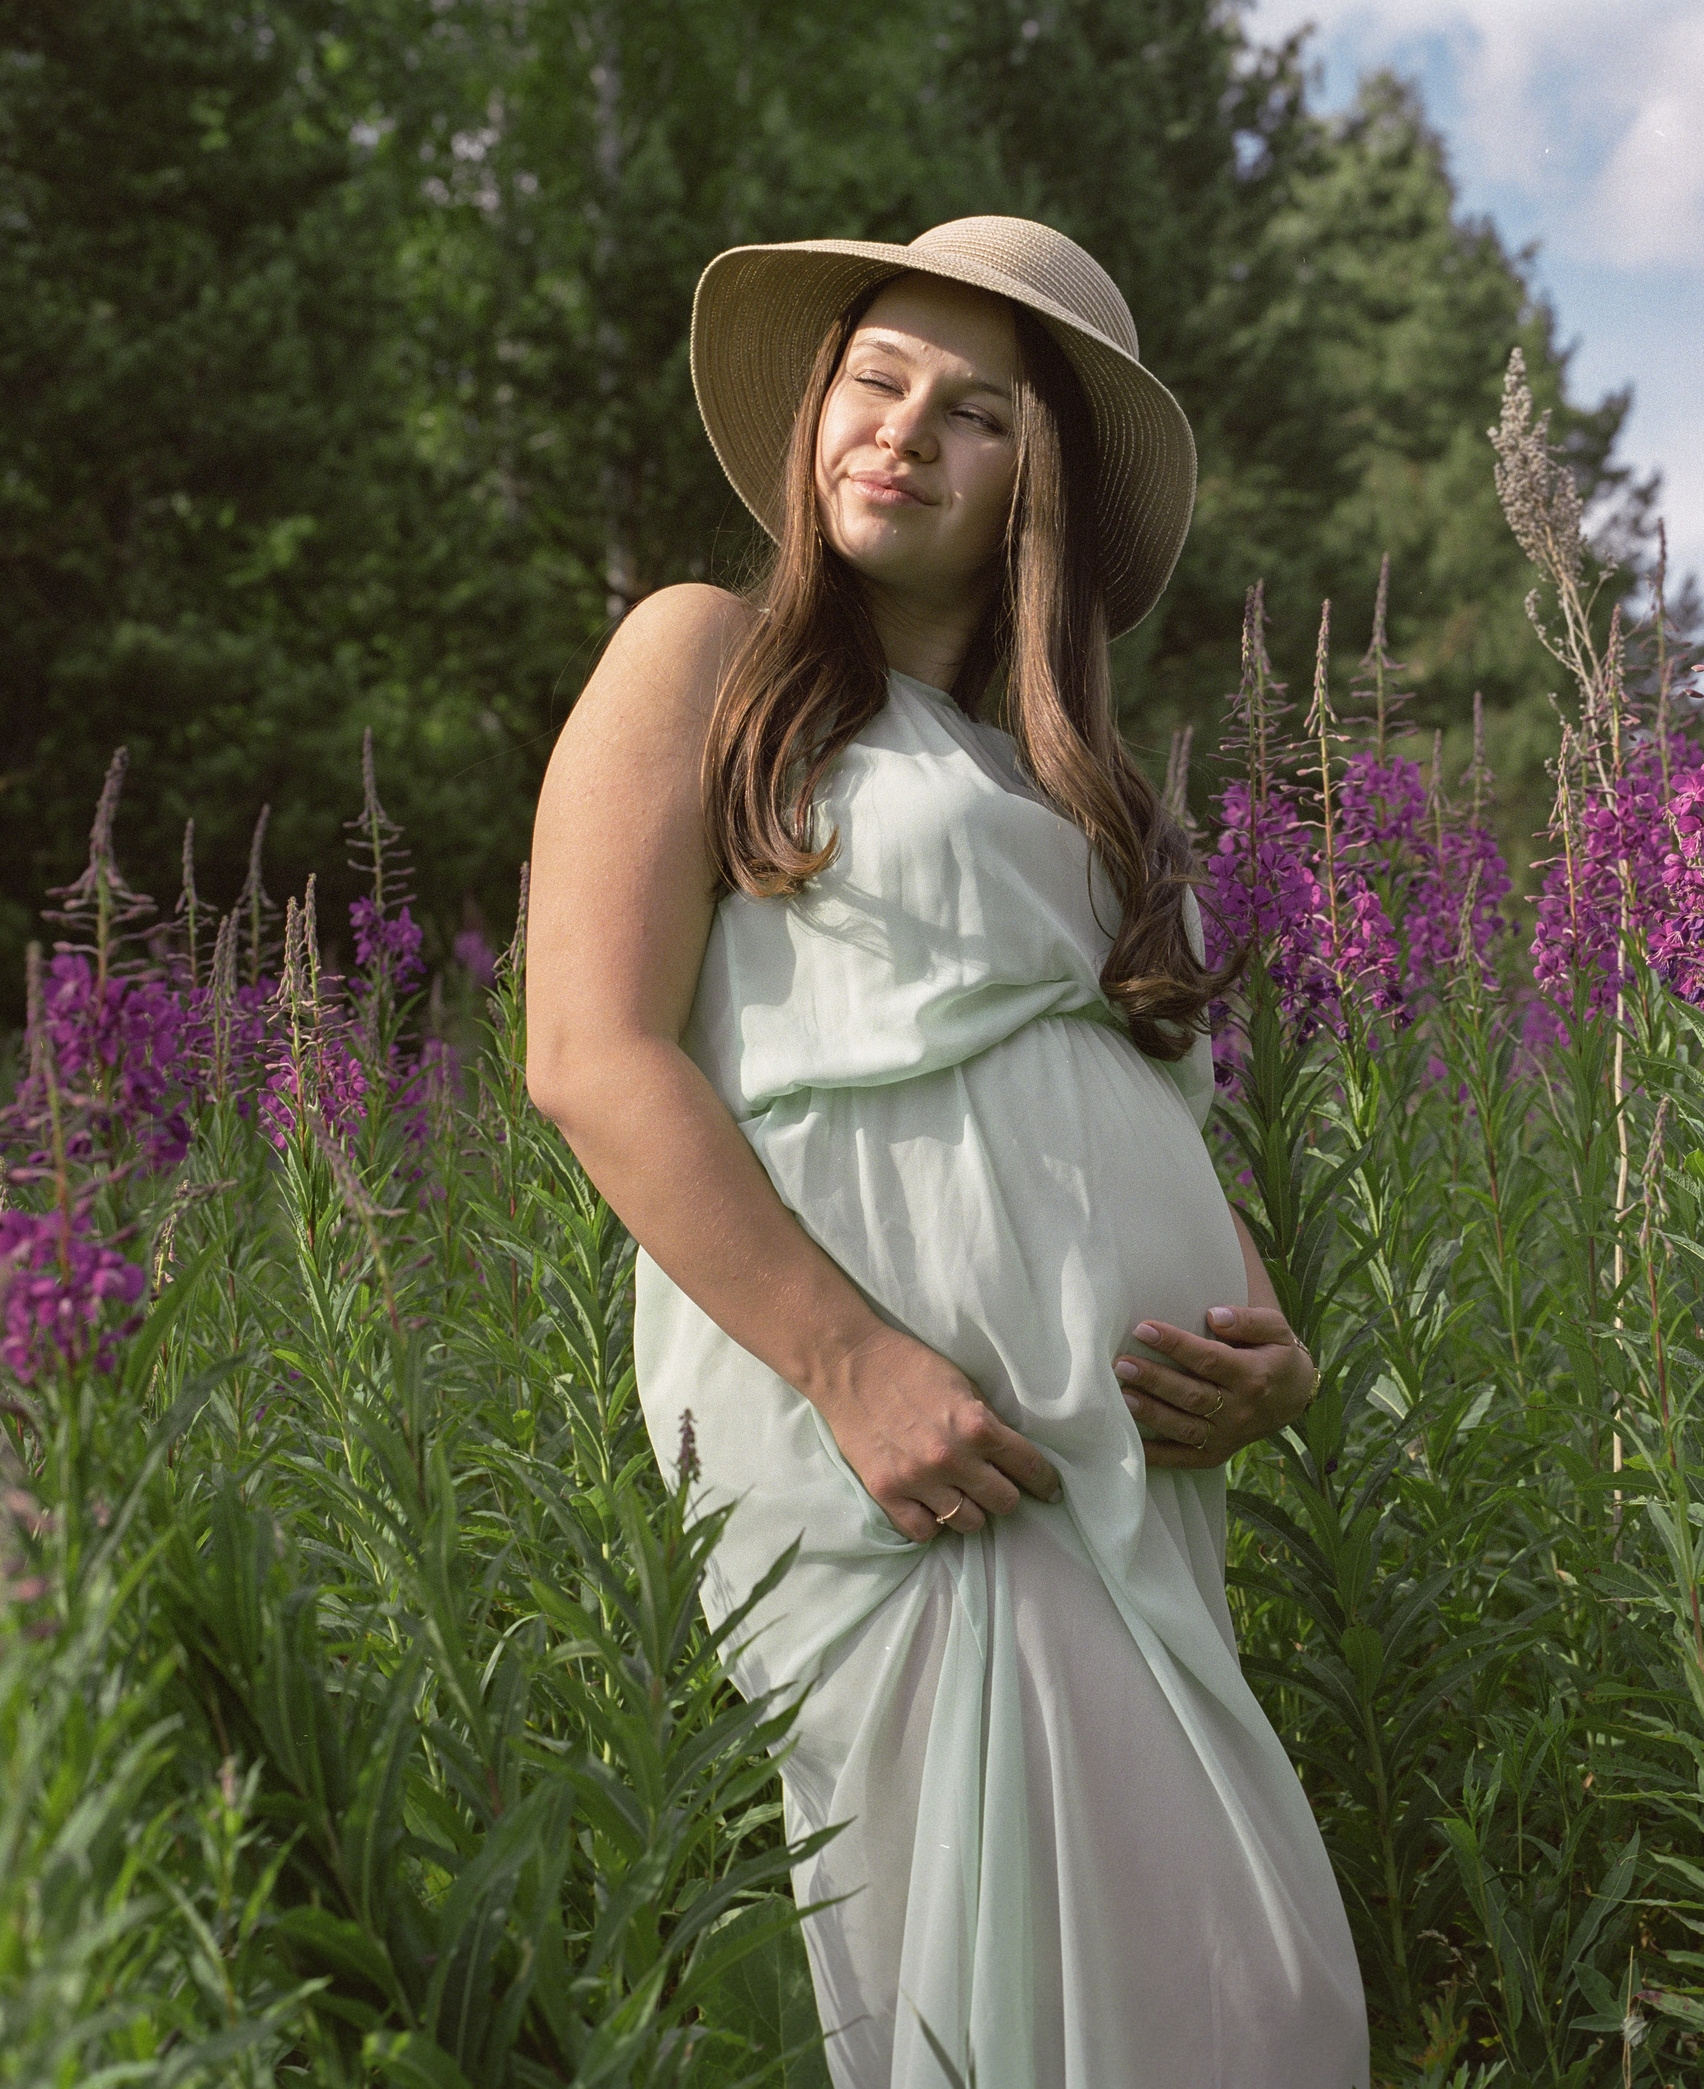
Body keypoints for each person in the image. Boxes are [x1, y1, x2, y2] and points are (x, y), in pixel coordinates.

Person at [523, 218, 1369, 2088]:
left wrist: (1271, 1343)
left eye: (975, 411)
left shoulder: (1076, 788)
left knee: (1243, 1992)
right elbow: (589, 1056)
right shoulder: (702, 654)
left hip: (1114, 1462)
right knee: (1027, 1985)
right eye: (877, 377)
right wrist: (856, 1369)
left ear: (1032, 488)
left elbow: (1137, 1098)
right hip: (908, 1451)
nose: (905, 429)